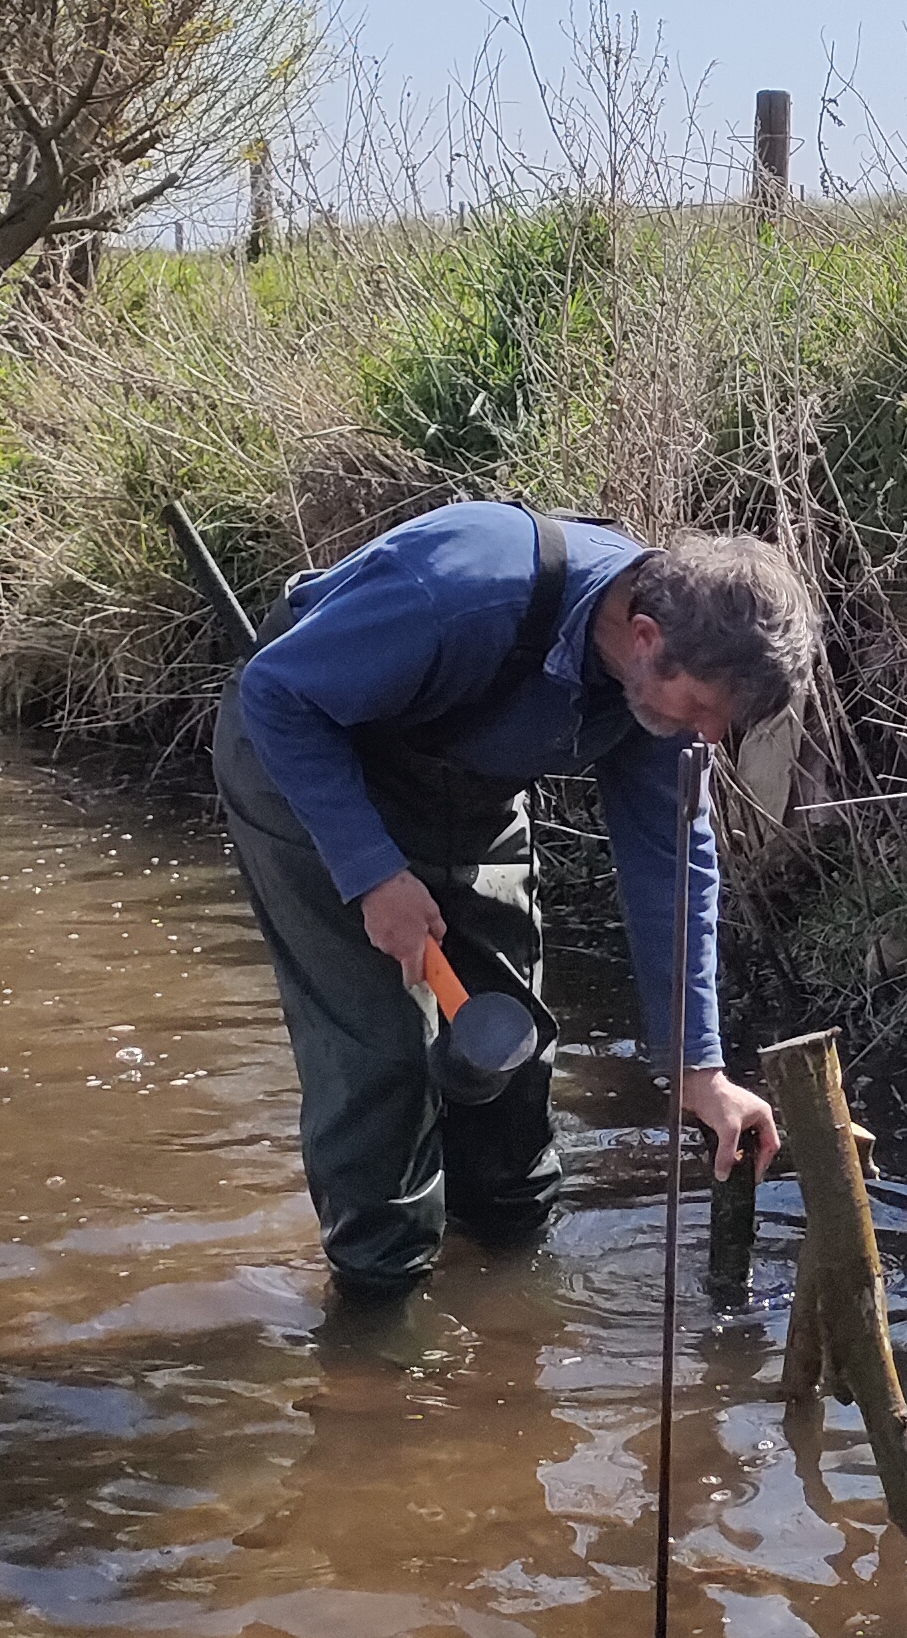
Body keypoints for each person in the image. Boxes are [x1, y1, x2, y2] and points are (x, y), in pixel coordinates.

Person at [214, 500, 816, 1290]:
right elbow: (278, 695)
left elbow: (671, 863)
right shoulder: (463, 592)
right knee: (383, 1060)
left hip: (466, 791)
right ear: (646, 640)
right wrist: (371, 874)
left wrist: (698, 1067)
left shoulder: (653, 695)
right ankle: (380, 1313)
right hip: (305, 762)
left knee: (511, 1046)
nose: (705, 737)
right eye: (702, 710)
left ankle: (509, 1275)